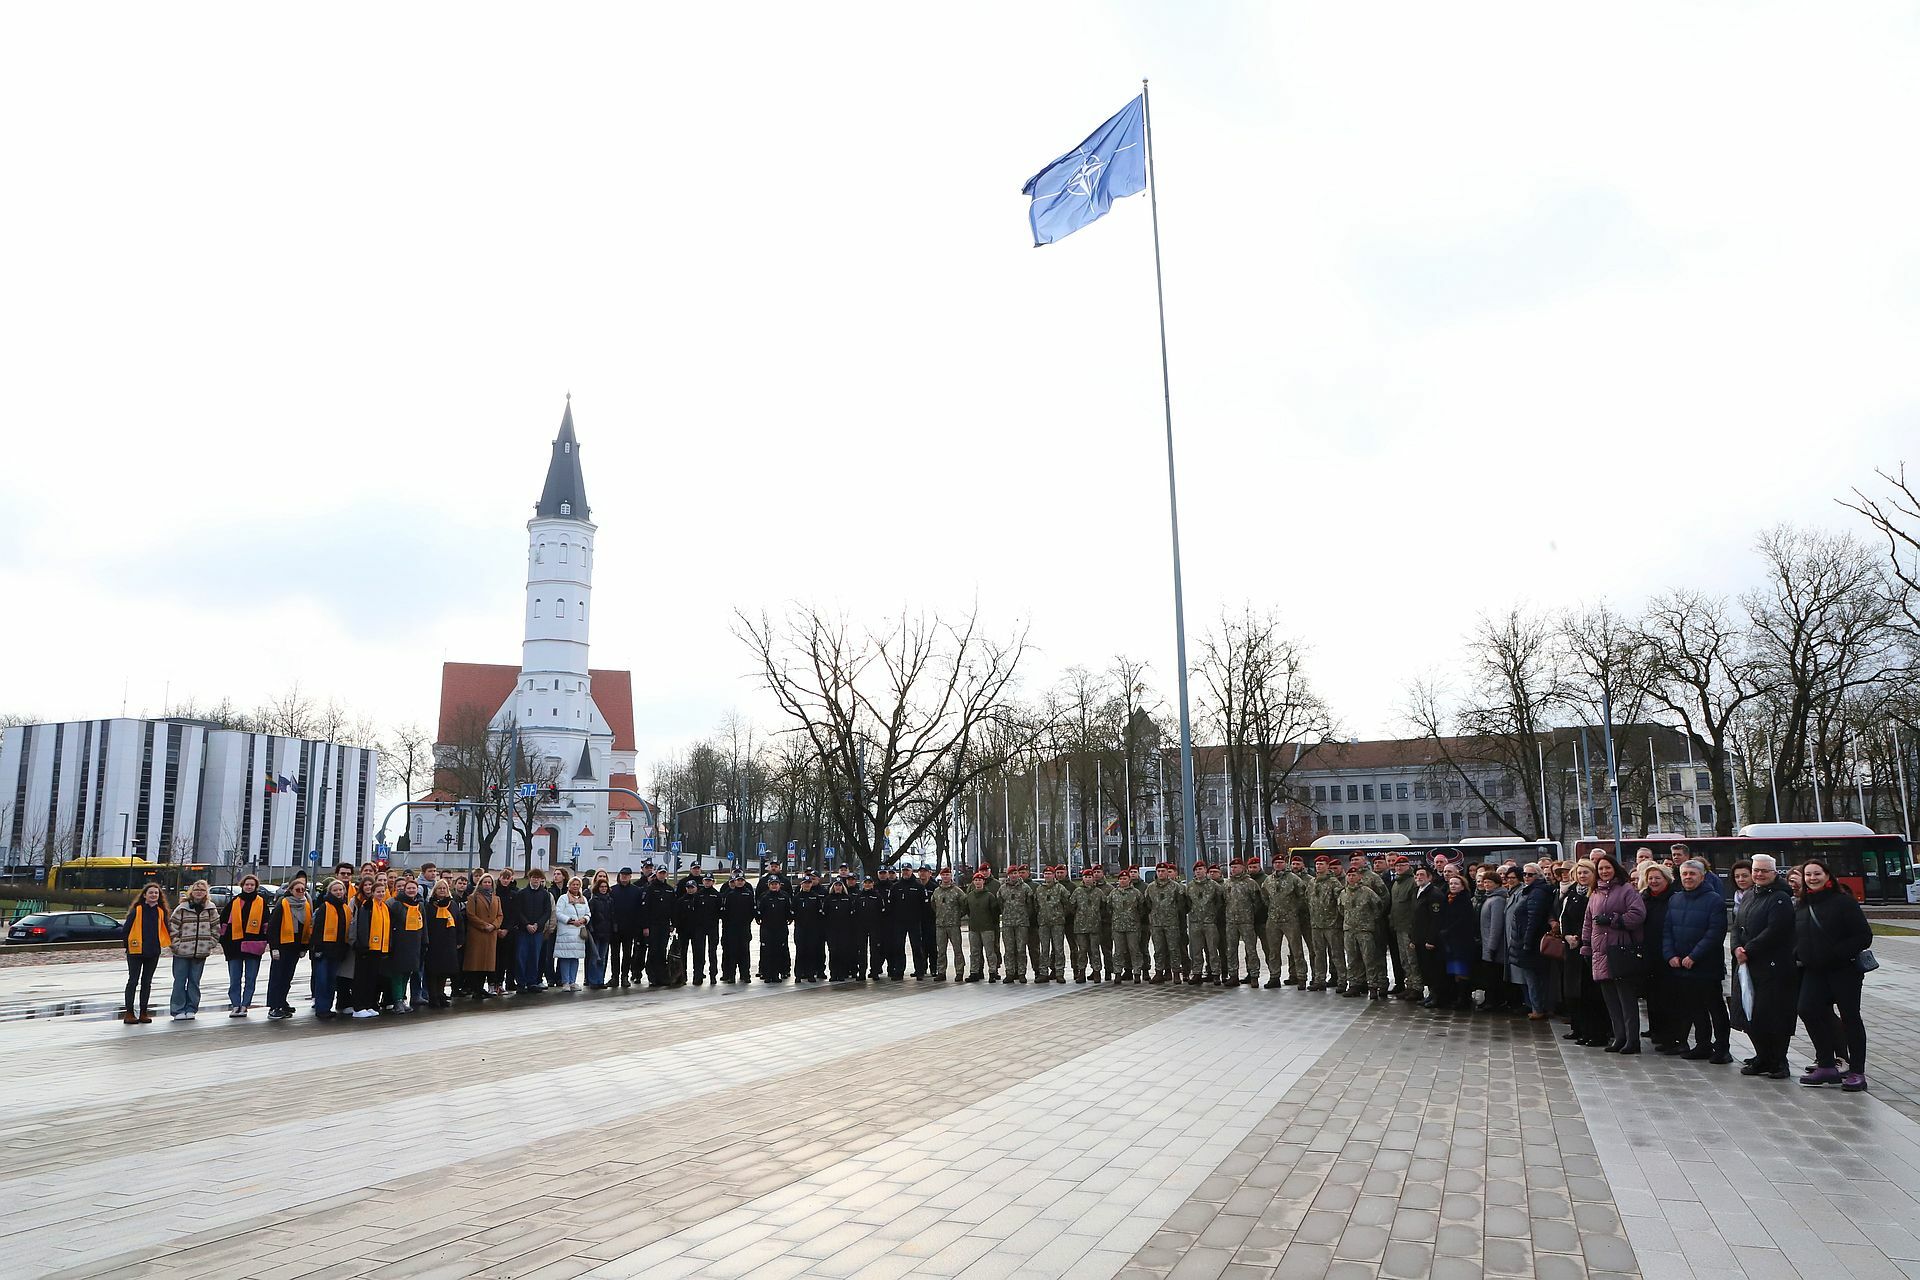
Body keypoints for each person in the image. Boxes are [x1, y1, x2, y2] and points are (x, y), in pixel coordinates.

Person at [1794, 857, 1872, 1092]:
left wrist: (1835, 953)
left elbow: (1862, 936)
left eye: (1817, 873)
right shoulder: (1802, 903)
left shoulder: (1843, 902)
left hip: (1843, 970)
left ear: (1828, 875)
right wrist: (1798, 954)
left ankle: (1856, 1070)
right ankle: (1826, 1064)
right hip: (1814, 971)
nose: (1812, 878)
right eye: (1808, 875)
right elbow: (1798, 935)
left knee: (1850, 1018)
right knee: (1807, 1009)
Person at [1734, 853, 1797, 1079]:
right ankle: (1762, 1057)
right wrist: (1736, 948)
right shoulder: (1750, 894)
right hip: (1748, 965)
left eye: (1764, 871)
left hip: (1773, 966)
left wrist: (1748, 949)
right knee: (1750, 1014)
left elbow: (1776, 930)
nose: (1759, 875)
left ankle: (1779, 1060)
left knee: (1773, 1015)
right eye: (1756, 871)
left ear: (1774, 873)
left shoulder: (1780, 897)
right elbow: (1737, 925)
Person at [1661, 858, 1729, 1063]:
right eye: (1684, 874)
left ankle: (1722, 1048)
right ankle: (1702, 1045)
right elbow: (1667, 930)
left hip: (1706, 965)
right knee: (1694, 1008)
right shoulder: (1675, 899)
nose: (1688, 877)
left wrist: (1694, 956)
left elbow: (1715, 932)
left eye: (1692, 874)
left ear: (1702, 876)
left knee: (1714, 1008)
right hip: (1681, 964)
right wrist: (1670, 955)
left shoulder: (1714, 900)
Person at [1582, 853, 1647, 1053]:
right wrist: (1586, 946)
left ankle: (1632, 1040)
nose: (1604, 872)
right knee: (1611, 1000)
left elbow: (1638, 915)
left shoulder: (1626, 889)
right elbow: (1588, 921)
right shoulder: (1594, 894)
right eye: (1601, 869)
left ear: (1615, 869)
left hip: (1620, 950)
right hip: (1600, 951)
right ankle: (1619, 1037)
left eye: (1607, 868)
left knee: (1626, 1000)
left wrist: (1613, 920)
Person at [1557, 861, 1607, 1047]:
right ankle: (1579, 1028)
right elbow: (1564, 917)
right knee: (1573, 991)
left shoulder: (1596, 894)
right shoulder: (1571, 893)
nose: (1582, 876)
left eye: (1586, 872)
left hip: (1590, 947)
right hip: (1572, 948)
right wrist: (1566, 935)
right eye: (1579, 873)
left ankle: (1596, 1031)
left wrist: (1580, 936)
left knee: (1590, 992)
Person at [1638, 863, 1679, 1049]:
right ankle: (1655, 1030)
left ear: (1667, 879)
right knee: (1651, 994)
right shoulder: (1643, 898)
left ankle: (1669, 1035)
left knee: (1667, 996)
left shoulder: (1674, 898)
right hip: (1648, 950)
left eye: (1657, 878)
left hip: (1668, 951)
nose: (1653, 881)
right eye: (1650, 878)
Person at [167, 880, 221, 1020]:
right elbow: (173, 928)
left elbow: (216, 928)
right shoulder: (182, 908)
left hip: (201, 951)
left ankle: (191, 1008)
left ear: (206, 893)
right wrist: (176, 945)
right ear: (192, 891)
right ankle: (177, 1009)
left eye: (202, 890)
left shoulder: (211, 909)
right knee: (179, 981)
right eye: (196, 890)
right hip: (182, 952)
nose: (199, 892)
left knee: (194, 982)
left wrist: (210, 943)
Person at [1507, 864, 1555, 1020]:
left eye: (1530, 874)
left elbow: (1533, 919)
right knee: (1536, 977)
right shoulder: (1531, 891)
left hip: (1532, 942)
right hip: (1529, 939)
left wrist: (1526, 941)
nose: (1526, 877)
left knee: (1534, 978)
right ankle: (1541, 1007)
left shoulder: (1537, 893)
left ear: (1538, 876)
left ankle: (1538, 1008)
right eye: (1525, 874)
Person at [263, 874, 313, 1020]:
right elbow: (273, 927)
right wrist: (274, 948)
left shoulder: (306, 905)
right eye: (298, 889)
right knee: (277, 976)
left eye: (303, 889)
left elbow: (307, 927)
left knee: (287, 977)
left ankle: (282, 1001)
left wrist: (304, 946)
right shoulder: (283, 904)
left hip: (295, 947)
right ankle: (274, 1006)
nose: (301, 892)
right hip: (282, 946)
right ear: (290, 890)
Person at [119, 883, 170, 1024]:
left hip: (153, 952)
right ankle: (129, 1012)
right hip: (135, 951)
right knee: (133, 981)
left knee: (146, 982)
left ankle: (143, 1012)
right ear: (144, 895)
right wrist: (128, 946)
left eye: (156, 893)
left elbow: (166, 929)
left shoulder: (161, 912)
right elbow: (125, 930)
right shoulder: (137, 910)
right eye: (151, 893)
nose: (154, 895)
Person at [222, 873, 269, 1018]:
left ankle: (245, 1005)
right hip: (234, 946)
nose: (249, 887)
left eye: (252, 885)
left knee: (250, 978)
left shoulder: (262, 903)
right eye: (247, 884)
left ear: (256, 887)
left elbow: (267, 925)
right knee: (234, 978)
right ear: (242, 886)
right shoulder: (234, 902)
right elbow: (223, 923)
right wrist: (224, 941)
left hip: (253, 946)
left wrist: (266, 941)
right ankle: (235, 1004)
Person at [1337, 866, 1384, 999]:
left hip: (1365, 930)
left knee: (1369, 959)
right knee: (1352, 959)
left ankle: (1373, 986)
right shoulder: (1343, 893)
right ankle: (1354, 984)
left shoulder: (1367, 892)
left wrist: (1369, 921)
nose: (1351, 878)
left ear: (1360, 877)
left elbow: (1378, 907)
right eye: (1349, 875)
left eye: (1354, 875)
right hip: (1349, 930)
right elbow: (1341, 909)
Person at [309, 878, 353, 1019]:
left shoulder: (346, 908)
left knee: (331, 981)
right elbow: (316, 929)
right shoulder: (324, 907)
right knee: (322, 980)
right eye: (335, 890)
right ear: (330, 892)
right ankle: (321, 1008)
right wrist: (316, 949)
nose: (338, 892)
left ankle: (327, 1007)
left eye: (340, 890)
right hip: (323, 951)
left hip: (338, 951)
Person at [348, 873, 391, 1018]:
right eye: (378, 891)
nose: (380, 894)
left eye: (382, 891)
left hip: (379, 948)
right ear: (372, 893)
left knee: (372, 978)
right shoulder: (367, 906)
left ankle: (369, 1004)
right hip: (367, 947)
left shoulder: (383, 906)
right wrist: (363, 944)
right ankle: (358, 1007)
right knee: (361, 978)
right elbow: (362, 926)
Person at [1436, 870, 1479, 1009]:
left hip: (1462, 941)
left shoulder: (1464, 900)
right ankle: (1456, 996)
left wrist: (1448, 930)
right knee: (1454, 969)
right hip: (1449, 941)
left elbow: (1464, 920)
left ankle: (1464, 998)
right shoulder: (1447, 899)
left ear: (1462, 886)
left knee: (1462, 970)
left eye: (1456, 883)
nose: (1453, 886)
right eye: (1451, 883)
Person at [386, 877, 428, 1012]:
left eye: (413, 888)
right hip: (400, 943)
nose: (411, 890)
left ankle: (402, 999)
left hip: (415, 943)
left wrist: (424, 941)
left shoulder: (419, 905)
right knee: (398, 973)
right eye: (408, 888)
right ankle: (397, 1000)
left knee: (407, 973)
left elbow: (424, 925)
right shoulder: (397, 904)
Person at [423, 878, 463, 1006]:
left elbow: (459, 922)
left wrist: (460, 939)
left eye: (444, 888)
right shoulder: (429, 906)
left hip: (449, 942)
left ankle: (441, 994)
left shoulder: (452, 905)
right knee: (434, 971)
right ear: (435, 890)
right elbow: (426, 925)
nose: (442, 890)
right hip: (434, 943)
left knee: (445, 970)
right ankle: (433, 996)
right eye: (439, 888)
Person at [515, 868, 553, 993]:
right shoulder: (522, 893)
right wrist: (526, 924)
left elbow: (547, 912)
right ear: (529, 878)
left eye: (538, 878)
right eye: (533, 877)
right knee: (521, 956)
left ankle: (532, 982)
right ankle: (521, 982)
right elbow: (518, 911)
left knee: (534, 956)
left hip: (538, 931)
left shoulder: (545, 894)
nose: (535, 880)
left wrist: (538, 924)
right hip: (523, 930)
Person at [1477, 868, 1510, 1012]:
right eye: (1484, 882)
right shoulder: (1489, 898)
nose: (1486, 884)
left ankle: (1494, 1001)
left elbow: (1496, 925)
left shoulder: (1497, 900)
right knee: (1489, 976)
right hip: (1486, 944)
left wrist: (1492, 946)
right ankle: (1490, 1000)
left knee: (1493, 977)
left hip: (1493, 947)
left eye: (1489, 882)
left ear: (1497, 883)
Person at [1184, 862, 1221, 985]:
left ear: (1205, 870)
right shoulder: (1190, 886)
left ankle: (1215, 973)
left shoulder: (1214, 886)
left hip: (1209, 922)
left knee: (1212, 949)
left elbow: (1219, 901)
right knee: (1196, 949)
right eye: (1196, 870)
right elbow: (1187, 903)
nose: (1198, 872)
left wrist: (1212, 914)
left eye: (1200, 869)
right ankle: (1197, 973)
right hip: (1195, 922)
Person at [551, 877, 590, 990]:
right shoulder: (563, 898)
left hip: (578, 933)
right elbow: (558, 913)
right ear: (569, 885)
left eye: (578, 884)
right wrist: (570, 920)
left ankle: (573, 981)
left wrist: (584, 919)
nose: (575, 886)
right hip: (567, 932)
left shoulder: (583, 899)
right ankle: (565, 981)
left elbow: (588, 913)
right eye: (573, 884)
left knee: (575, 958)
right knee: (565, 958)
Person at [965, 869, 1003, 982]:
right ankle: (974, 972)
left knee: (990, 952)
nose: (978, 882)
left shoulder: (989, 896)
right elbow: (967, 910)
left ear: (983, 882)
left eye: (980, 880)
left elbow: (995, 911)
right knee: (974, 952)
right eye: (976, 880)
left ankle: (992, 972)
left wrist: (990, 922)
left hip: (987, 928)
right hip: (974, 928)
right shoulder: (970, 896)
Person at [719, 871, 757, 983]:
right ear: (734, 882)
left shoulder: (749, 894)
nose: (739, 882)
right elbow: (725, 912)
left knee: (744, 952)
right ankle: (731, 975)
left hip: (744, 928)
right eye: (737, 880)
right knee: (732, 952)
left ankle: (745, 974)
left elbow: (752, 911)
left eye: (741, 880)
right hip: (731, 929)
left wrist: (746, 922)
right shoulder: (729, 894)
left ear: (744, 881)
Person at [756, 873, 793, 981]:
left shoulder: (784, 896)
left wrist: (790, 917)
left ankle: (777, 974)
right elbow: (759, 912)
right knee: (767, 951)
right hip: (767, 929)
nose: (774, 886)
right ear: (768, 885)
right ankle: (767, 974)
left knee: (779, 951)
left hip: (780, 928)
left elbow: (789, 911)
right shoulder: (764, 897)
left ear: (779, 885)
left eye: (776, 884)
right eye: (772, 884)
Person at [826, 877, 861, 980]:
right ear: (833, 887)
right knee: (833, 952)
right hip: (832, 930)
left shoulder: (847, 898)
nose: (838, 887)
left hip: (844, 930)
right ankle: (833, 973)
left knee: (843, 952)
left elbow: (852, 914)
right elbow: (825, 915)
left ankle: (842, 973)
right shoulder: (828, 899)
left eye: (840, 885)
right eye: (836, 885)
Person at [585, 873, 616, 989]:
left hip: (606, 933)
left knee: (602, 958)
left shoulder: (610, 901)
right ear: (597, 888)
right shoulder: (593, 901)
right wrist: (591, 930)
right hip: (596, 933)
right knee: (594, 958)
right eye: (601, 887)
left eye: (605, 887)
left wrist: (613, 929)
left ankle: (600, 980)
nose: (603, 889)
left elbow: (612, 916)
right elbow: (590, 917)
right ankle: (593, 980)